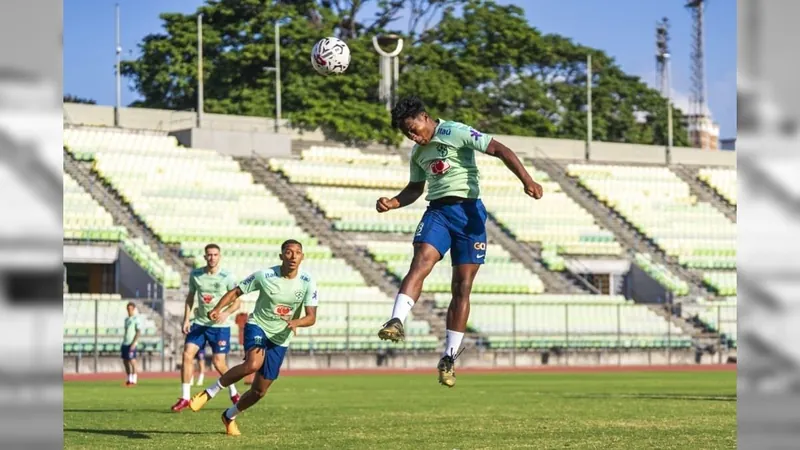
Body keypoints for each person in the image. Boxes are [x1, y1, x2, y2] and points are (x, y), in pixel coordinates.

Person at [376, 96, 543, 387]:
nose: (412, 136)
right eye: (406, 133)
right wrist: (393, 201)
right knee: (421, 261)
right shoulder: (418, 153)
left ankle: (449, 357)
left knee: (462, 287)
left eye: (413, 128)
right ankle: (396, 321)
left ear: (425, 117)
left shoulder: (456, 131)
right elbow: (416, 188)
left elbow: (501, 149)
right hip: (438, 212)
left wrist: (526, 180)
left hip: (469, 213)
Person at [188, 239, 318, 437]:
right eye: (289, 252)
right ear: (281, 256)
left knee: (259, 391)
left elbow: (311, 317)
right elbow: (236, 292)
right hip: (258, 326)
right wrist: (217, 309)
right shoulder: (264, 276)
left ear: (302, 257)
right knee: (253, 364)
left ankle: (229, 416)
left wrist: (295, 323)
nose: (293, 256)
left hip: (281, 337)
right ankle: (209, 393)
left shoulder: (308, 282)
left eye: (297, 252)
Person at [171, 244, 241, 412]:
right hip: (199, 323)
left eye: (215, 255)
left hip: (220, 327)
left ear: (220, 256)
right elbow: (190, 298)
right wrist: (186, 319)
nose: (212, 258)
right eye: (209, 255)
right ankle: (185, 398)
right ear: (204, 257)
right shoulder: (196, 275)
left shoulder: (227, 277)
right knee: (187, 355)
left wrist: (224, 314)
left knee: (218, 363)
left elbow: (237, 302)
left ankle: (234, 392)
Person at [121, 302, 141, 387]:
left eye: (131, 309)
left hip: (131, 343)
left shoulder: (136, 319)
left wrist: (134, 342)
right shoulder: (126, 320)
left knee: (132, 361)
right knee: (125, 361)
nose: (129, 310)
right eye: (128, 309)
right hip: (125, 342)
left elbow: (138, 331)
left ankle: (134, 379)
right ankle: (129, 379)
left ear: (133, 309)